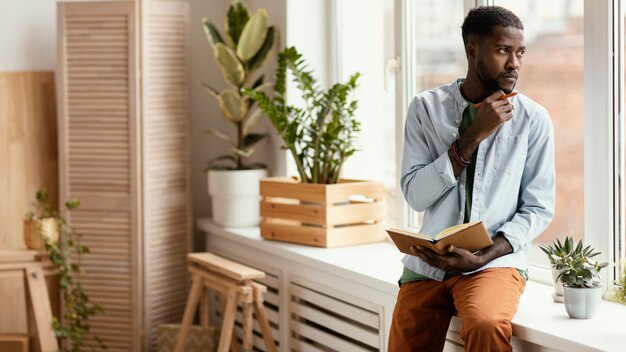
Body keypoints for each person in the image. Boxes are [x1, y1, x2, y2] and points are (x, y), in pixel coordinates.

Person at [389, 5, 555, 352]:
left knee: (486, 323)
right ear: (472, 50)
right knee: (406, 338)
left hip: (493, 263)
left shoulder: (534, 120)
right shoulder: (425, 108)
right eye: (502, 50)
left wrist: (483, 257)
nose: (514, 63)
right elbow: (416, 196)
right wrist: (473, 136)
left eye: (519, 52)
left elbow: (538, 208)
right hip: (430, 262)